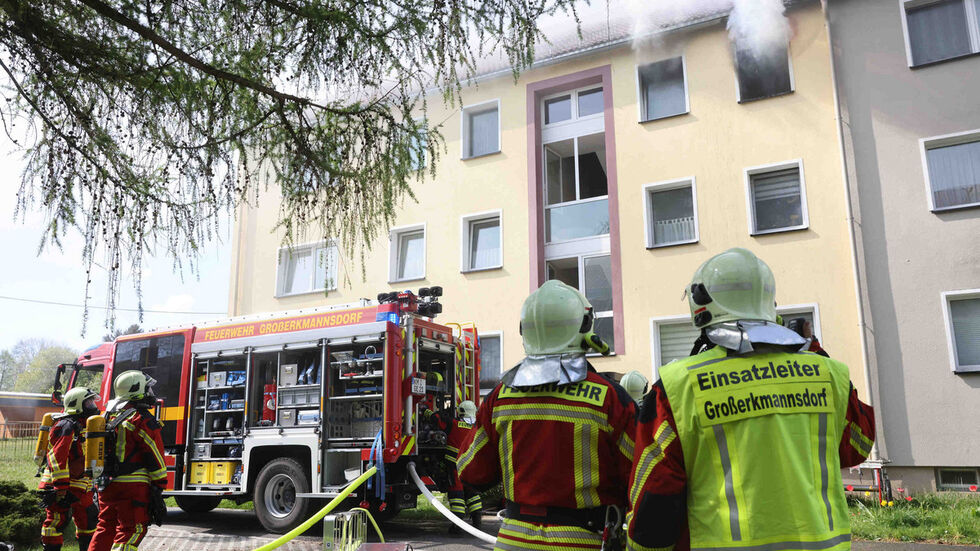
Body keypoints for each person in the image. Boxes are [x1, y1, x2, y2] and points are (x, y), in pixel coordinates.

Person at [627, 248, 876, 551]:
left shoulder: (678, 386)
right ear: (769, 304)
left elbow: (655, 499)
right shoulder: (828, 373)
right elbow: (859, 447)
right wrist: (816, 352)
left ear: (701, 304)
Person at [458, 280, 637, 550]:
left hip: (513, 541)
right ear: (585, 327)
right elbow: (642, 478)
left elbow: (471, 471)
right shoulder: (609, 398)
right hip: (582, 541)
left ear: (525, 331)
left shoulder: (499, 396)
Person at [90, 371, 168, 551]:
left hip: (106, 484)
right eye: (148, 388)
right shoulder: (141, 419)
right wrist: (160, 483)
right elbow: (154, 452)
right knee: (132, 529)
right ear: (137, 390)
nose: (151, 392)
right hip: (133, 486)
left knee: (104, 527)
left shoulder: (107, 416)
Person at [38, 387, 100, 551]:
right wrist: (60, 488)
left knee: (89, 520)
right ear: (77, 404)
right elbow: (58, 459)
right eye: (89, 402)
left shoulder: (81, 425)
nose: (93, 405)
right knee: (56, 522)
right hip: (60, 486)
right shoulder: (65, 425)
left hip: (79, 486)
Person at [425, 400, 483, 533]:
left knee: (456, 492)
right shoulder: (477, 427)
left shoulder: (454, 424)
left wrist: (427, 412)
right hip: (472, 466)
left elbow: (437, 419)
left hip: (455, 466)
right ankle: (477, 521)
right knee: (472, 492)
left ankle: (457, 526)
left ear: (461, 412)